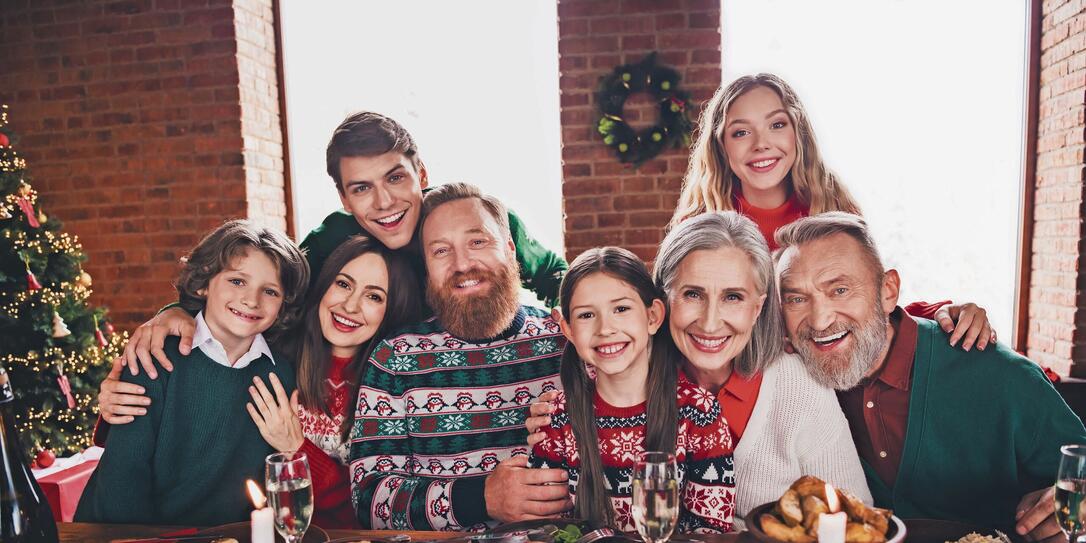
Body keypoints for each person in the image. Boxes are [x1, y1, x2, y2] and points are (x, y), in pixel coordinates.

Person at [108, 110, 567, 385]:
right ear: (345, 199)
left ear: (420, 174)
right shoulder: (332, 239)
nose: (385, 202)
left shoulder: (464, 218)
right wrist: (182, 310)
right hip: (371, 393)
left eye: (395, 178)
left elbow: (559, 278)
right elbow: (264, 292)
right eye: (362, 189)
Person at [526, 212, 871, 528]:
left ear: (758, 306)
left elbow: (857, 521)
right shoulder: (613, 376)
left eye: (733, 297)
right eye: (693, 294)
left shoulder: (798, 387)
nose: (709, 322)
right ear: (662, 302)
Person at [773, 212, 1086, 540]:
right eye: (796, 299)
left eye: (839, 290)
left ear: (888, 291)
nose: (820, 320)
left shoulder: (1003, 376)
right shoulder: (798, 380)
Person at [94, 236, 425, 528]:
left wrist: (299, 449)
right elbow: (125, 475)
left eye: (375, 297)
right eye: (343, 284)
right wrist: (173, 312)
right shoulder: (288, 356)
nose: (350, 305)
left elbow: (373, 508)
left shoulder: (384, 384)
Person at [672, 73, 997, 352]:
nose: (761, 144)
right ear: (720, 144)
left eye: (777, 124)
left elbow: (868, 306)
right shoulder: (699, 226)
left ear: (797, 132)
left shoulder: (833, 205)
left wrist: (940, 312)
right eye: (741, 132)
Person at [349, 182, 568, 531]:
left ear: (510, 250)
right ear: (427, 270)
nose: (462, 264)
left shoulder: (565, 342)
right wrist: (481, 498)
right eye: (441, 251)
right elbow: (368, 497)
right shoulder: (395, 357)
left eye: (477, 242)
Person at [75, 220, 308, 525]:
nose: (252, 300)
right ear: (203, 283)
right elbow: (123, 477)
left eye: (270, 291)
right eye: (237, 281)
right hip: (125, 532)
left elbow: (270, 481)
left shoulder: (281, 374)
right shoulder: (154, 355)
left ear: (284, 304)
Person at [529, 247, 735, 533]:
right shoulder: (557, 418)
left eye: (621, 309)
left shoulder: (699, 412)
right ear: (569, 330)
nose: (605, 328)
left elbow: (710, 530)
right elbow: (550, 528)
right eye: (587, 315)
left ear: (653, 316)